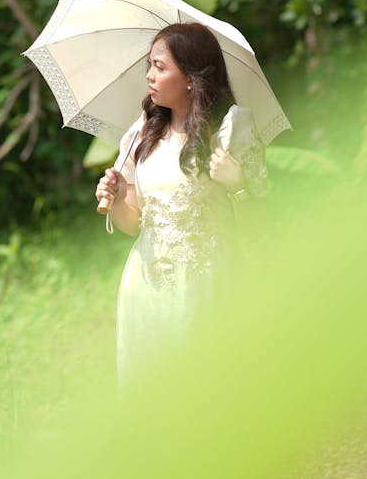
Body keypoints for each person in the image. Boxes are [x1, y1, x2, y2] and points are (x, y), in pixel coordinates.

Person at [95, 23, 268, 385]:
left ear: (190, 78)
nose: (149, 76)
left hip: (208, 283)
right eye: (149, 66)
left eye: (160, 67)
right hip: (145, 286)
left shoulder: (231, 129)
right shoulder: (143, 132)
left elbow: (257, 226)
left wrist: (237, 185)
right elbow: (133, 225)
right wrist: (115, 199)